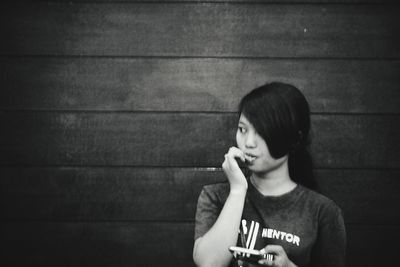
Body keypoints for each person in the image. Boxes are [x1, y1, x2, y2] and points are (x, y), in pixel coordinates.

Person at [193, 82, 346, 267]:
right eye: (242, 129)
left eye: (262, 133)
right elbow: (208, 264)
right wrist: (237, 191)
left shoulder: (324, 212)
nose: (248, 142)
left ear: (294, 139)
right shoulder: (215, 196)